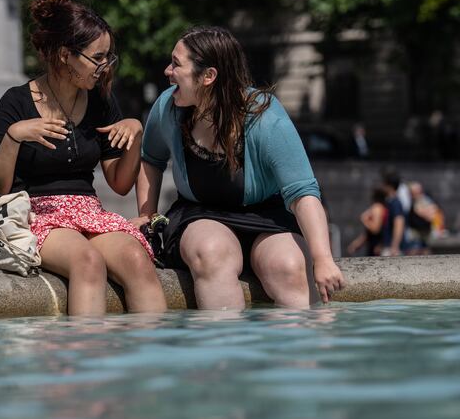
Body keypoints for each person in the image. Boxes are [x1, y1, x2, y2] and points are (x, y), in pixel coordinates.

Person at [0, 0, 166, 316]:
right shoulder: (16, 101)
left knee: (137, 258)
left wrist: (135, 133)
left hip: (88, 212)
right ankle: (84, 362)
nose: (104, 67)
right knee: (87, 260)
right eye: (98, 58)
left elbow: (119, 184)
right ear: (66, 55)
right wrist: (14, 137)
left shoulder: (100, 101)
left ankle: (152, 360)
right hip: (35, 213)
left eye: (109, 57)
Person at [136, 26, 345, 308]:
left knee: (290, 266)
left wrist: (322, 260)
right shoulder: (168, 108)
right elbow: (151, 159)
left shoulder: (266, 117)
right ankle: (226, 349)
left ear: (208, 76)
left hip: (267, 214)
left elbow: (303, 193)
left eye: (176, 63)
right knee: (212, 253)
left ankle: (299, 350)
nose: (167, 71)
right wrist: (146, 214)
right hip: (201, 214)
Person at [346, 186, 387, 256]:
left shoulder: (377, 208)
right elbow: (368, 234)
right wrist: (356, 244)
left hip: (377, 249)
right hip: (375, 247)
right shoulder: (381, 207)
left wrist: (364, 219)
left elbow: (375, 229)